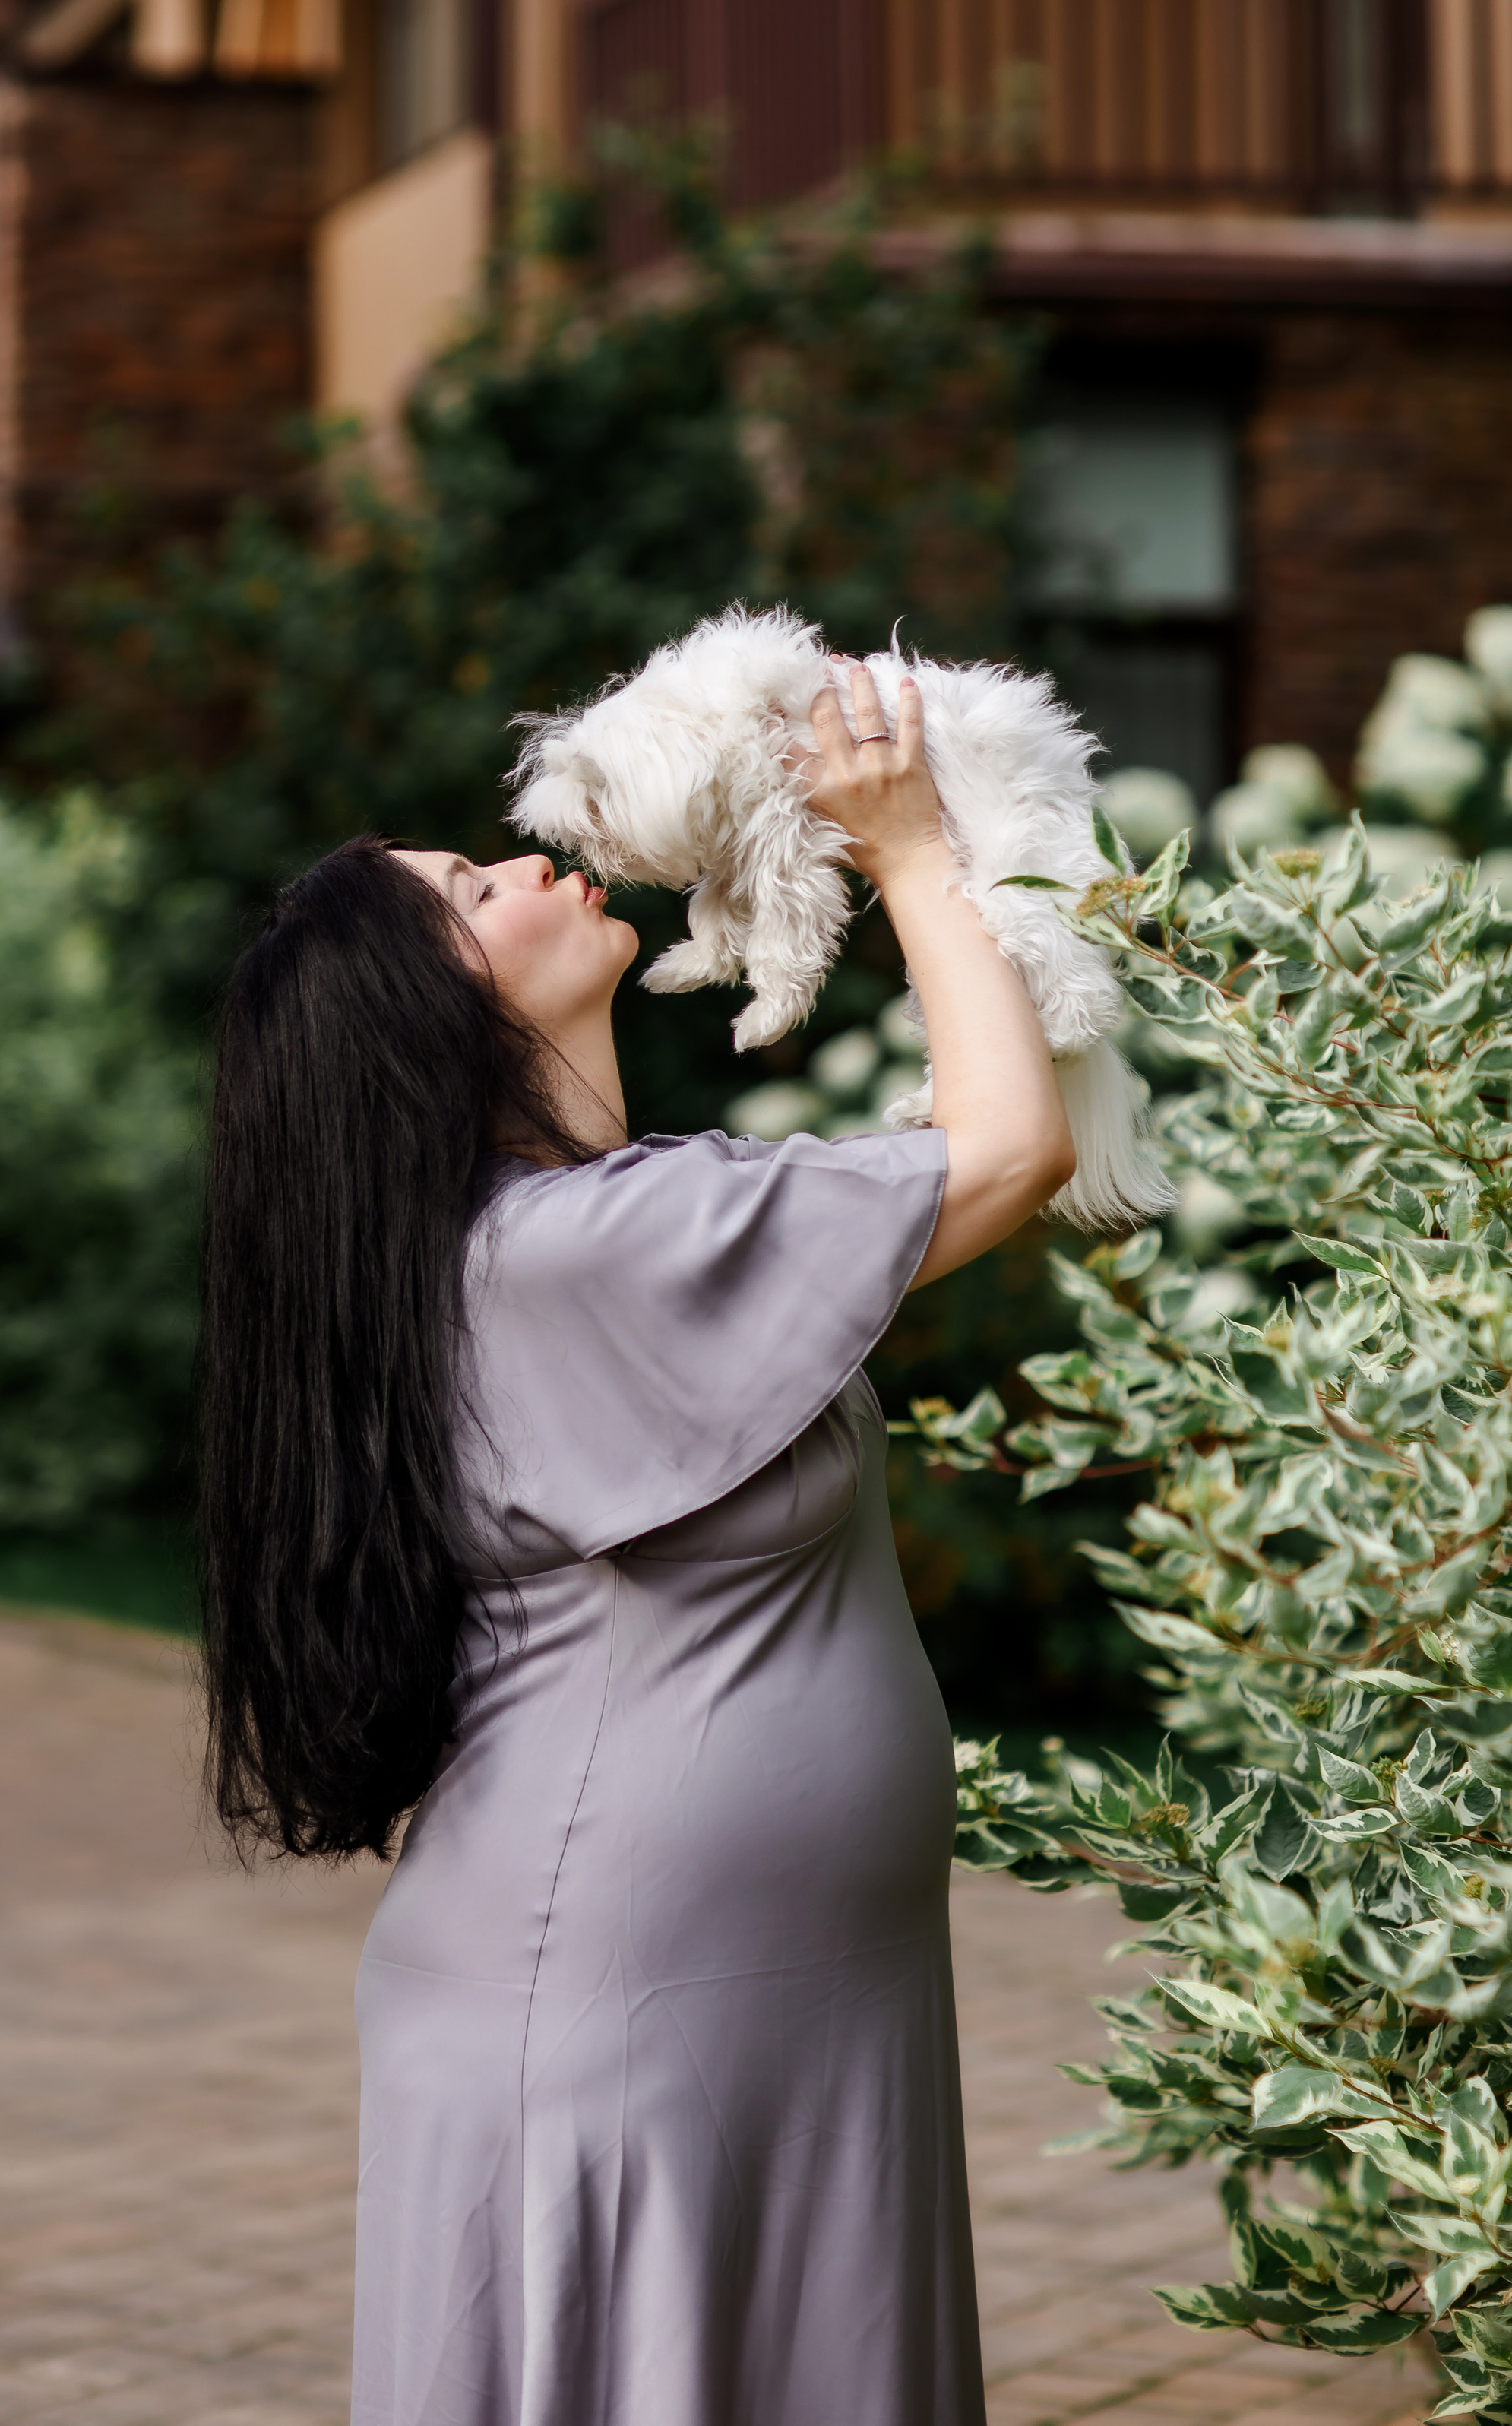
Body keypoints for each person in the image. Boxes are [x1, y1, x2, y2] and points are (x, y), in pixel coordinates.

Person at [196, 666, 1076, 2426]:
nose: (526, 867)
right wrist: (902, 849)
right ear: (417, 1022)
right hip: (628, 2007)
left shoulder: (584, 1227)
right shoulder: (564, 1255)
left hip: (743, 1998)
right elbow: (1006, 1146)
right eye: (469, 891)